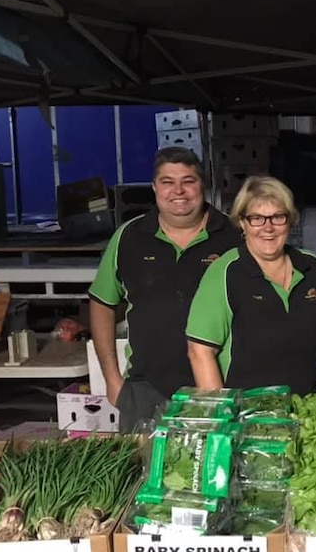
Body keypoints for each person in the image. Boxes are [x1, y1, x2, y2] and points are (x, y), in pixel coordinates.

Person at [88, 146, 239, 431]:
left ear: (202, 185)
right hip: (146, 389)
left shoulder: (233, 236)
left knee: (216, 473)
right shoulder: (130, 237)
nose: (178, 191)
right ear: (155, 188)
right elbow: (102, 303)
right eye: (168, 182)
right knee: (143, 473)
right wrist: (112, 378)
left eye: (188, 181)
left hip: (220, 386)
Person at [186, 176, 316, 395]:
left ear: (291, 221)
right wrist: (222, 416)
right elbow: (200, 351)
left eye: (278, 217)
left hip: (309, 414)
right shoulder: (225, 272)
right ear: (242, 222)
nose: (268, 228)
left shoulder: (314, 268)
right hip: (246, 419)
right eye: (257, 218)